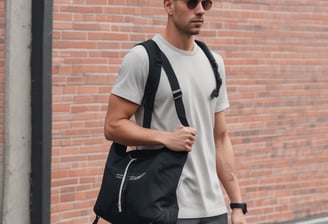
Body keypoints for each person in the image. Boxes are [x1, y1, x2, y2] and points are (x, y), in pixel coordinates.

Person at [104, 0, 248, 223]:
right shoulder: (143, 58)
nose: (200, 9)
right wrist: (165, 137)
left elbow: (220, 138)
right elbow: (113, 125)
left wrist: (237, 205)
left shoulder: (214, 63)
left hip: (214, 210)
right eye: (191, 2)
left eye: (206, 3)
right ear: (169, 5)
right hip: (165, 209)